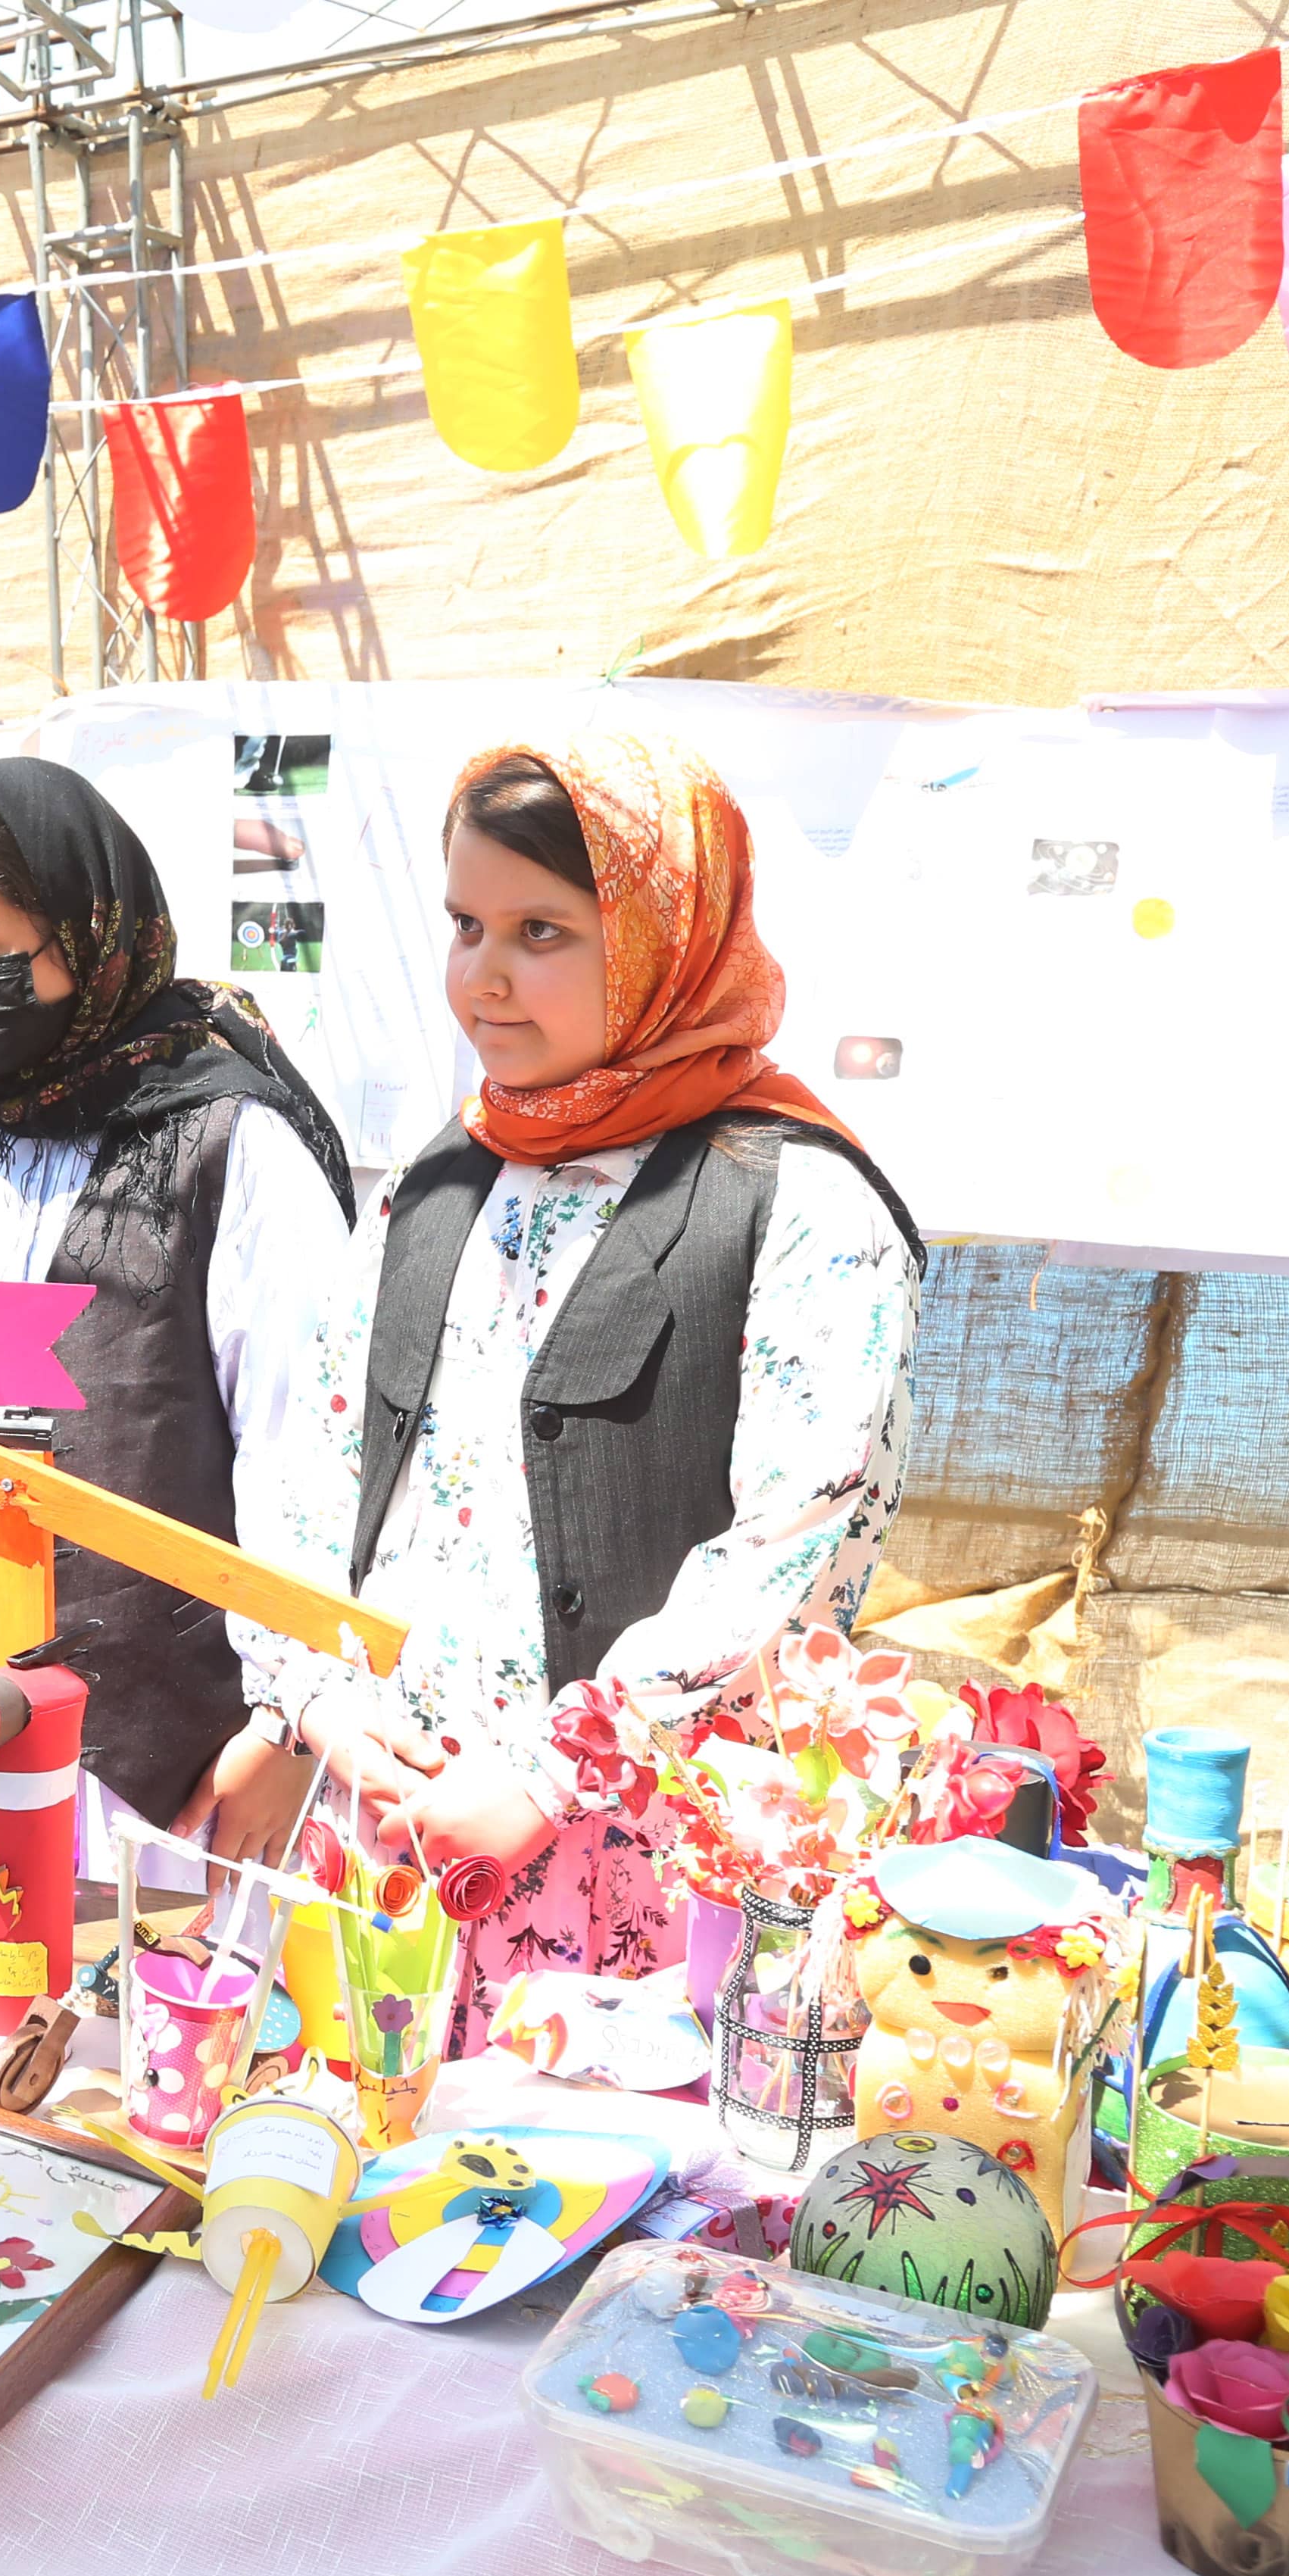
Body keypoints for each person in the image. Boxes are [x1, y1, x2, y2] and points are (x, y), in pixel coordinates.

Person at [249, 724, 925, 2048]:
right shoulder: (442, 1177)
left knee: (595, 2221)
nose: (482, 981)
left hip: (634, 1882)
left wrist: (551, 1771)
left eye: (540, 932)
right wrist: (314, 1692)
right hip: (382, 1847)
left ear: (663, 936)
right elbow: (314, 1458)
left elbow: (800, 1541)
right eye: (463, 925)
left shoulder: (797, 1203)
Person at [0, 758, 354, 1894]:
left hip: (160, 1734)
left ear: (85, 926)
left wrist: (290, 1718)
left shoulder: (228, 1144)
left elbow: (306, 1452)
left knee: (133, 2044)